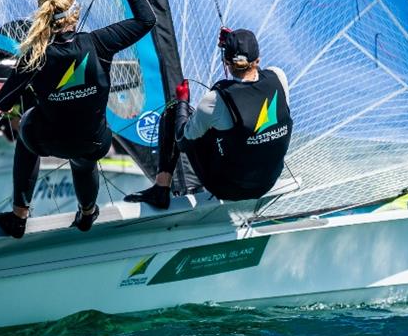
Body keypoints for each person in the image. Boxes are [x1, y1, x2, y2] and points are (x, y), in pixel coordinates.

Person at [0, 0, 156, 238]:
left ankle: (19, 216)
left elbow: (2, 102)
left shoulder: (34, 56)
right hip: (94, 142)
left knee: (27, 130)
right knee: (83, 158)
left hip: (48, 140)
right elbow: (146, 20)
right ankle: (88, 213)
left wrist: (33, 88)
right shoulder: (100, 42)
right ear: (75, 13)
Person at [125, 28, 292, 209]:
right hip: (267, 182)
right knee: (227, 129)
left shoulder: (215, 100)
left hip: (228, 188)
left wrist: (182, 102)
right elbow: (253, 84)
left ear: (226, 62)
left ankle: (161, 189)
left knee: (174, 111)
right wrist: (235, 46)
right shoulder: (279, 77)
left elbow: (182, 141)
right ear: (258, 59)